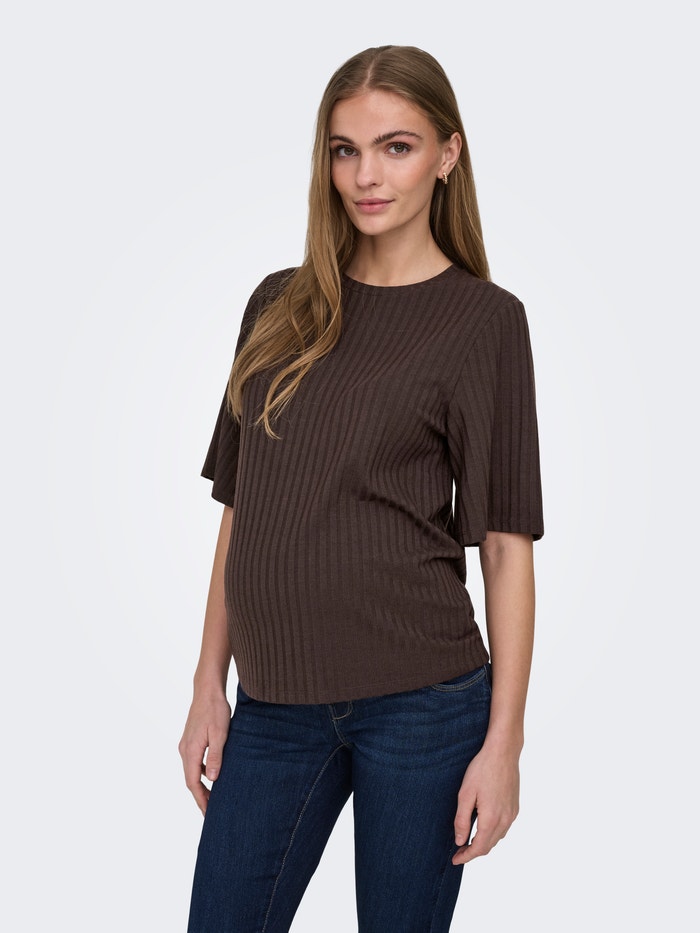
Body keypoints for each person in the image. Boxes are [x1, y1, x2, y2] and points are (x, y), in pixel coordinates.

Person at [179, 44, 544, 933]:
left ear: (448, 155)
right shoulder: (277, 306)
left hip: (424, 707)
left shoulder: (485, 321)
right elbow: (240, 509)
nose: (365, 176)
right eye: (345, 150)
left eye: (396, 147)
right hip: (273, 706)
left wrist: (504, 743)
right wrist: (206, 683)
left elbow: (504, 545)